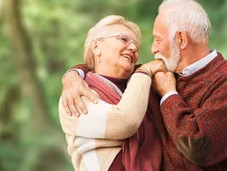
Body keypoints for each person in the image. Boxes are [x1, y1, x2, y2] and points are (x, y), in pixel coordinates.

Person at [62, 0, 227, 170]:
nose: (152, 49)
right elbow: (105, 68)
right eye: (123, 39)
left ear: (180, 39)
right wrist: (72, 77)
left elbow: (198, 148)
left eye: (157, 39)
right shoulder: (156, 77)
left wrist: (169, 95)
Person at [59, 15, 167, 171]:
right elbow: (124, 121)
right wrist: (144, 72)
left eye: (136, 45)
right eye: (123, 39)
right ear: (96, 47)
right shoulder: (74, 96)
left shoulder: (146, 88)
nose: (133, 48)